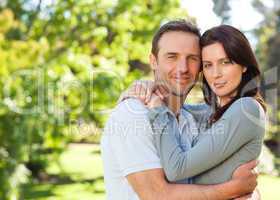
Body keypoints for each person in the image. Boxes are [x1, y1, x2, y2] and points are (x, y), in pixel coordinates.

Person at [101, 20, 259, 200]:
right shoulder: (133, 115)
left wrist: (251, 193)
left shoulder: (191, 118)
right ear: (153, 61)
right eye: (172, 56)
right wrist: (232, 190)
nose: (183, 68)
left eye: (192, 58)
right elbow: (156, 195)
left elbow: (235, 171)